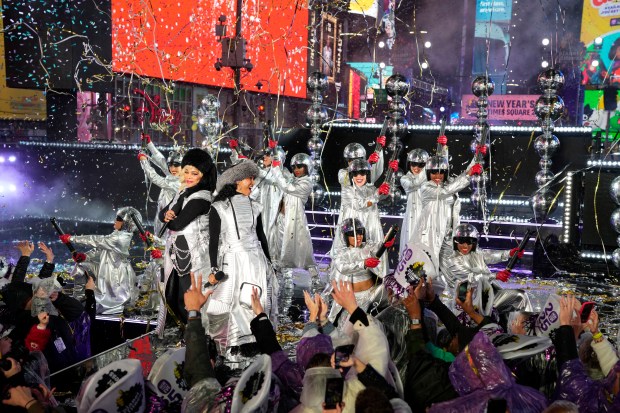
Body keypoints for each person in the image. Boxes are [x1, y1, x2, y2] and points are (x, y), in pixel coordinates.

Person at [205, 160, 277, 363]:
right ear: (237, 180)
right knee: (234, 302)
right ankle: (234, 347)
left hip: (256, 261)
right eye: (249, 178)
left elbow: (261, 236)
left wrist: (269, 263)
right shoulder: (219, 207)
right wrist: (213, 267)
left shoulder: (256, 206)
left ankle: (258, 342)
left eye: (253, 178)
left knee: (257, 298)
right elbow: (213, 239)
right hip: (233, 261)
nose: (252, 182)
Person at [159, 147, 217, 325]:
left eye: (194, 173)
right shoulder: (184, 192)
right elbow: (163, 213)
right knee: (177, 298)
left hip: (195, 260)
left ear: (203, 175)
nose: (189, 176)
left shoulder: (202, 197)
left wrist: (169, 217)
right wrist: (167, 214)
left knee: (191, 299)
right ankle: (186, 335)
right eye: (186, 172)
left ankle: (200, 339)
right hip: (180, 256)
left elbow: (177, 224)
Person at [61, 207, 141, 314]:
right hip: (107, 268)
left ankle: (107, 304)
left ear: (125, 223)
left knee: (110, 301)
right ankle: (78, 299)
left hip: (115, 274)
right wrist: (85, 256)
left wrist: (71, 239)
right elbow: (101, 249)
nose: (115, 221)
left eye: (118, 219)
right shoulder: (117, 235)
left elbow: (98, 241)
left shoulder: (120, 238)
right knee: (81, 266)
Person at [439, 223, 532, 315]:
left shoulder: (474, 253)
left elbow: (488, 255)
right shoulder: (452, 260)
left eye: (469, 241)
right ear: (455, 241)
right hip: (471, 302)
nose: (465, 245)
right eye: (461, 241)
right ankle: (529, 324)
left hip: (485, 295)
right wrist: (496, 275)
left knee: (515, 301)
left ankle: (515, 325)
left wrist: (509, 253)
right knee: (520, 297)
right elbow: (470, 278)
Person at [411, 153, 479, 264]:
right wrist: (468, 176)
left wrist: (476, 157)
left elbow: (462, 176)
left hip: (449, 234)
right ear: (428, 173)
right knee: (426, 268)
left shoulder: (450, 183)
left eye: (441, 172)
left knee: (451, 268)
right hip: (430, 235)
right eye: (434, 172)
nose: (438, 176)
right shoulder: (426, 187)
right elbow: (446, 191)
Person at [328, 218, 394, 327]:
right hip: (352, 299)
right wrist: (364, 263)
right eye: (353, 234)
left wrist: (385, 244)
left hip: (371, 296)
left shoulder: (367, 246)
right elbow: (343, 267)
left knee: (372, 329)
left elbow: (378, 246)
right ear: (345, 236)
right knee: (347, 330)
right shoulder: (341, 253)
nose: (358, 237)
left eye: (360, 232)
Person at [329, 159, 391, 272]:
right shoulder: (347, 190)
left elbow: (385, 195)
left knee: (373, 252)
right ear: (351, 175)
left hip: (370, 227)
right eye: (356, 173)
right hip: (353, 228)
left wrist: (391, 176)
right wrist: (378, 193)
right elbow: (360, 204)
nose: (359, 176)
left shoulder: (371, 189)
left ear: (367, 175)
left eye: (362, 173)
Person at [270, 153, 317, 279]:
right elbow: (283, 173)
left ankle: (315, 277)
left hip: (294, 221)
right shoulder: (293, 178)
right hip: (281, 218)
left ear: (307, 167)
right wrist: (276, 159)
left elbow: (286, 186)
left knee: (302, 249)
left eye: (300, 166)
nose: (296, 170)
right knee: (279, 248)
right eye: (294, 167)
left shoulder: (306, 183)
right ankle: (278, 277)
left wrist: (275, 168)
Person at [138, 133, 182, 237]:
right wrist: (149, 144)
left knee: (165, 244)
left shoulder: (178, 183)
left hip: (170, 221)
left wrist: (144, 162)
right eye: (171, 165)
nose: (173, 168)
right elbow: (162, 161)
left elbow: (155, 178)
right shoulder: (173, 175)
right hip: (162, 216)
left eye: (176, 165)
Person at [251, 141, 285, 260]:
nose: (264, 157)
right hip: (260, 211)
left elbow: (270, 176)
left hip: (272, 213)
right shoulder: (262, 175)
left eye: (268, 155)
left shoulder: (279, 174)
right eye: (264, 155)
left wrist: (249, 165)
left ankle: (271, 262)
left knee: (269, 234)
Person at [399, 148, 429, 257]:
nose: (416, 168)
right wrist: (427, 168)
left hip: (427, 216)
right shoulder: (405, 179)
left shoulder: (430, 178)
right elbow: (414, 184)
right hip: (412, 218)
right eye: (413, 164)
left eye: (420, 165)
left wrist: (444, 150)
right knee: (411, 247)